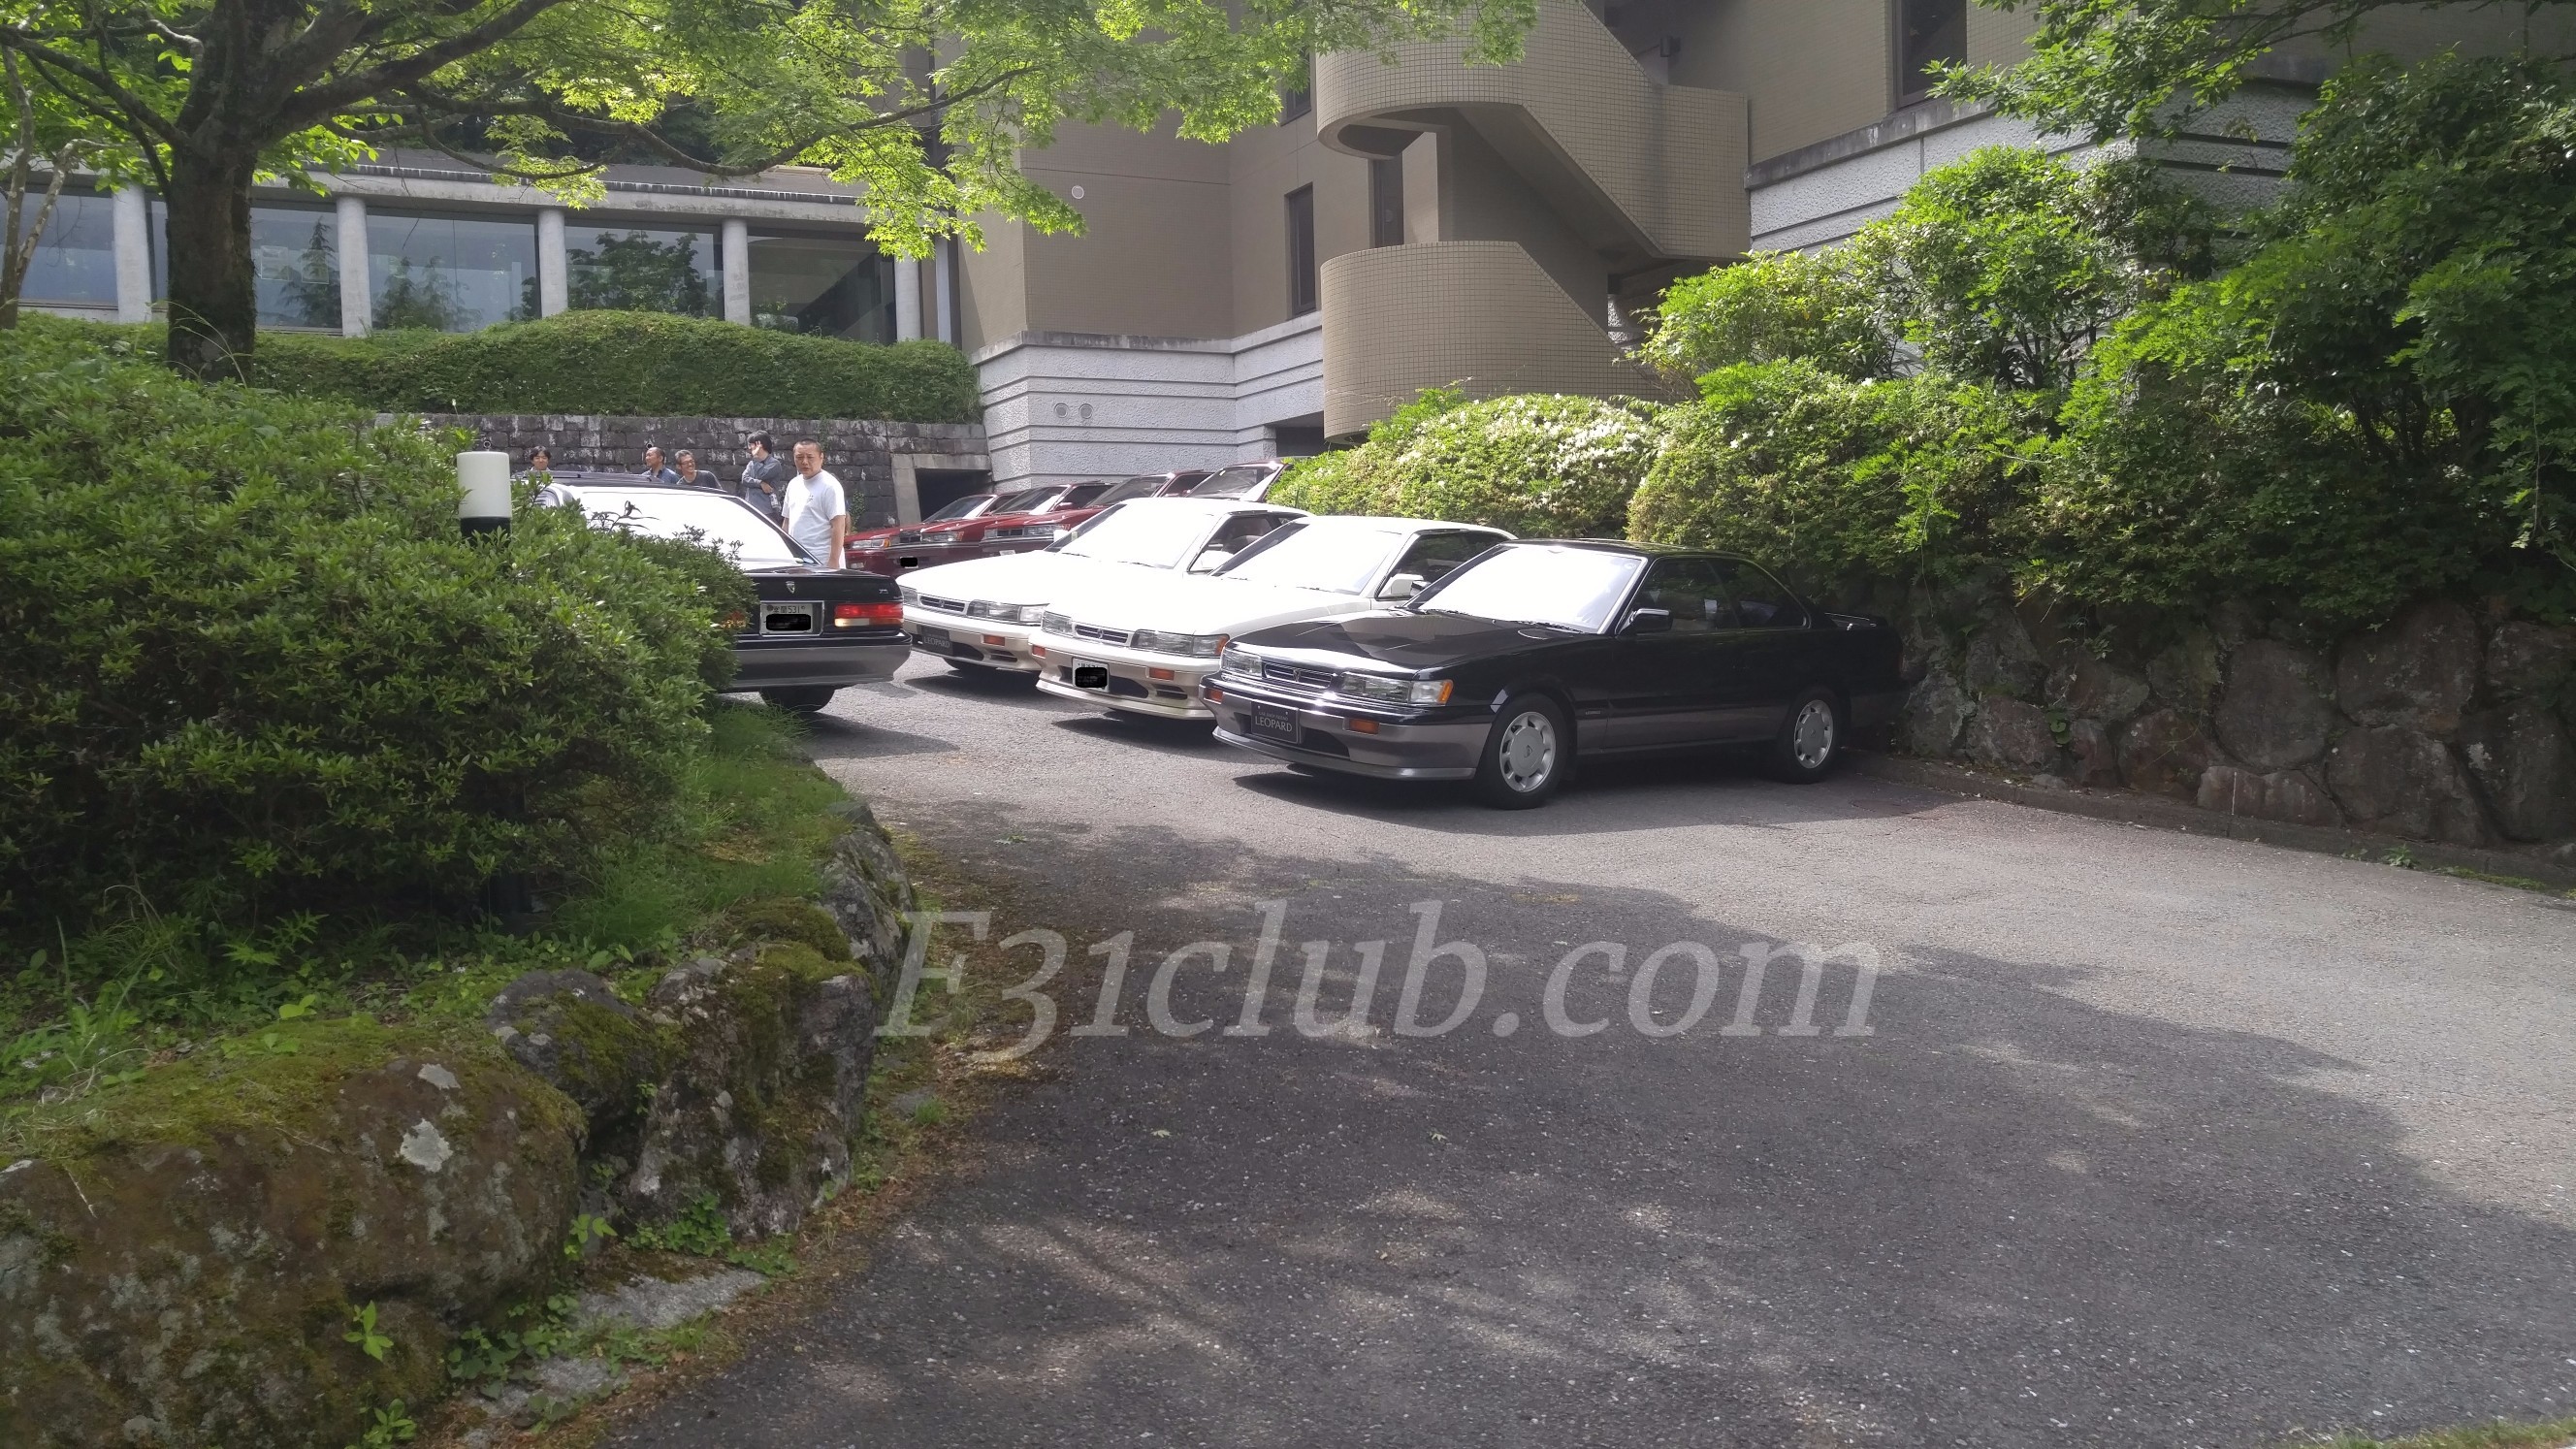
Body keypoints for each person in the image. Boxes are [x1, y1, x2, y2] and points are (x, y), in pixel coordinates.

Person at [783, 438, 849, 568]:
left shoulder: (830, 486)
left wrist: (834, 561)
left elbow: (839, 525)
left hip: (821, 560)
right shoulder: (793, 484)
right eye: (799, 457)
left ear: (821, 457)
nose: (804, 462)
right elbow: (787, 521)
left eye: (810, 457)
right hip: (797, 560)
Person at [739, 432, 791, 522]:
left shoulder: (774, 464)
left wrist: (756, 458)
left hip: (767, 510)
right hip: (751, 507)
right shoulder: (751, 463)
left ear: (759, 445)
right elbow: (744, 479)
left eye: (751, 445)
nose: (749, 448)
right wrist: (760, 483)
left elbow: (761, 474)